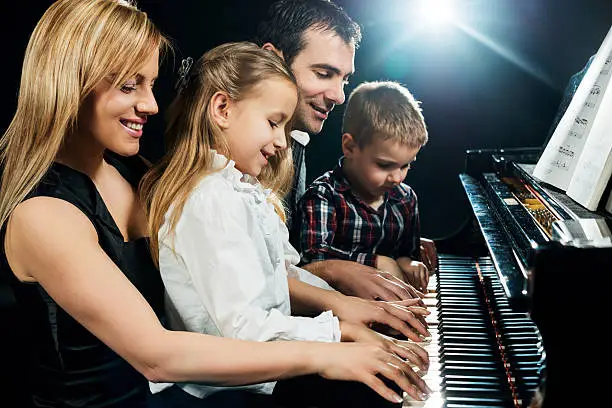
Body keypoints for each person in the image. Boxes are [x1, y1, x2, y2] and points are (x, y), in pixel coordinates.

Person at [0, 1, 429, 407]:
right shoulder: (43, 214)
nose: (150, 104)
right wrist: (328, 349)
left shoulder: (140, 175)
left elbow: (238, 279)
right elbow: (157, 356)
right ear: (69, 81)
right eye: (130, 85)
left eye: (150, 84)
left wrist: (345, 314)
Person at [140, 41, 431, 408]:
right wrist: (337, 331)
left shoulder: (240, 190)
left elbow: (282, 274)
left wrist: (349, 309)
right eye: (274, 123)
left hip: (262, 374)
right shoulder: (210, 198)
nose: (281, 142)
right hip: (223, 394)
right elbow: (245, 328)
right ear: (222, 108)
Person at [256, 0, 438, 302]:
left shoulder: (295, 141)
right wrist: (342, 272)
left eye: (345, 78)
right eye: (324, 73)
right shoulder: (235, 155)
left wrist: (396, 249)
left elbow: (289, 252)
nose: (340, 96)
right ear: (272, 60)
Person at [296, 81, 432, 293]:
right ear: (350, 147)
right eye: (384, 165)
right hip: (336, 308)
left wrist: (408, 264)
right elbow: (314, 258)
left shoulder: (406, 199)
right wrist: (376, 262)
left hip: (390, 304)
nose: (396, 178)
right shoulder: (324, 195)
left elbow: (406, 252)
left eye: (405, 165)